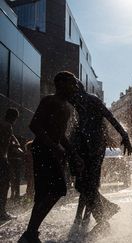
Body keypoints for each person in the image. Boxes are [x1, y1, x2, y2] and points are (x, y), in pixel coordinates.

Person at [19, 71, 83, 243]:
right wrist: (54, 146)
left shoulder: (66, 107)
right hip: (43, 150)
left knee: (43, 195)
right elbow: (34, 125)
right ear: (60, 83)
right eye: (72, 83)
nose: (75, 87)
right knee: (58, 189)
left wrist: (73, 153)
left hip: (53, 151)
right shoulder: (50, 101)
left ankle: (30, 234)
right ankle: (30, 232)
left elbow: (61, 135)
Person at [69, 81, 132, 233]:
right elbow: (103, 119)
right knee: (85, 185)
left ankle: (93, 218)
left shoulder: (90, 99)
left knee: (87, 185)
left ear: (77, 88)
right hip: (87, 146)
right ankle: (84, 217)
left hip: (94, 148)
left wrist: (124, 134)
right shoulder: (78, 101)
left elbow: (109, 116)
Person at [0, 108, 19, 221]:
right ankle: (2, 212)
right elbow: (5, 143)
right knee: (4, 185)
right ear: (14, 118)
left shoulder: (2, 124)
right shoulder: (8, 126)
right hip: (2, 159)